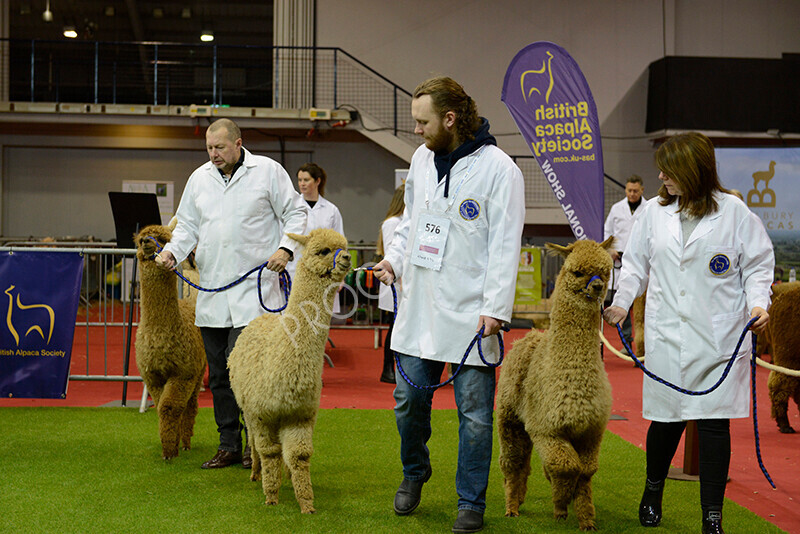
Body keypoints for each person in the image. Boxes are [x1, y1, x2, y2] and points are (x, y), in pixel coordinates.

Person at [374, 76, 525, 533]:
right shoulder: (421, 160)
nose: (416, 130)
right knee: (406, 402)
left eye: (422, 121)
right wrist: (393, 260)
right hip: (419, 308)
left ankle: (470, 501)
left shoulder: (501, 169)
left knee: (476, 417)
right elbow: (410, 223)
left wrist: (496, 308)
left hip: (471, 315)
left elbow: (505, 244)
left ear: (451, 118)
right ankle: (415, 471)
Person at [602, 132, 773, 534]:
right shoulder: (653, 214)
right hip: (668, 338)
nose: (661, 175)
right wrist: (622, 302)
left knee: (714, 425)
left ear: (694, 170)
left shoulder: (734, 213)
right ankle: (652, 490)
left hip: (718, 340)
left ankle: (712, 515)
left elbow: (759, 265)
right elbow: (636, 265)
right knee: (666, 422)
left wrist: (758, 302)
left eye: (670, 168)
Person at [157, 118, 307, 470]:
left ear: (239, 143)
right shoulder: (199, 178)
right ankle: (228, 444)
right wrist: (170, 254)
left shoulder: (268, 171)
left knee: (250, 376)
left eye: (220, 147)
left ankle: (257, 444)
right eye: (209, 148)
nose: (214, 154)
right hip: (212, 292)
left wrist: (285, 250)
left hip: (254, 292)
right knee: (219, 376)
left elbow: (296, 211)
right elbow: (187, 226)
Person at [286, 162, 345, 315]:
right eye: (299, 180)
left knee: (320, 315)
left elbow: (340, 243)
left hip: (323, 271)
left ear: (317, 181)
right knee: (294, 315)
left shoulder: (331, 210)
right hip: (295, 268)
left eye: (306, 180)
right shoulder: (292, 207)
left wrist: (340, 275)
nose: (302, 184)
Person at [603, 174, 646, 349]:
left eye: (636, 191)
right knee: (623, 299)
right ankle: (627, 340)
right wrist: (610, 249)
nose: (632, 193)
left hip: (640, 260)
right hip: (619, 259)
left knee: (641, 308)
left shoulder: (649, 207)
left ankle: (643, 343)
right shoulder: (616, 208)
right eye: (629, 190)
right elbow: (608, 230)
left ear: (642, 190)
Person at [376, 183, 406, 384]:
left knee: (397, 328)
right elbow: (391, 252)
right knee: (394, 328)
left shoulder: (402, 221)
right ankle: (388, 369)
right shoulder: (392, 223)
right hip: (395, 284)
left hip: (400, 283)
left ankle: (393, 370)